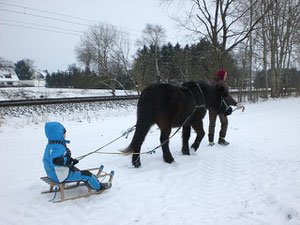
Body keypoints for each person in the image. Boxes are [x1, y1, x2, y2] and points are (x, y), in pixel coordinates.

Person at [42, 121, 111, 191]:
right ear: (58, 134)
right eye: (64, 133)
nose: (65, 134)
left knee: (76, 170)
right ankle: (99, 187)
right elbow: (56, 160)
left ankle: (84, 179)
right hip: (60, 176)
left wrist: (70, 161)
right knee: (87, 175)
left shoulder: (51, 145)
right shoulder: (59, 147)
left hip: (52, 174)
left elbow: (53, 160)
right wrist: (69, 161)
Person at [208, 69, 244, 146]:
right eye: (225, 75)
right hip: (221, 108)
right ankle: (221, 139)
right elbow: (227, 97)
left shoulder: (212, 83)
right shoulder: (222, 84)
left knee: (212, 124)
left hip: (212, 107)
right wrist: (236, 104)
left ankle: (210, 141)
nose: (226, 76)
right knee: (224, 123)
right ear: (222, 75)